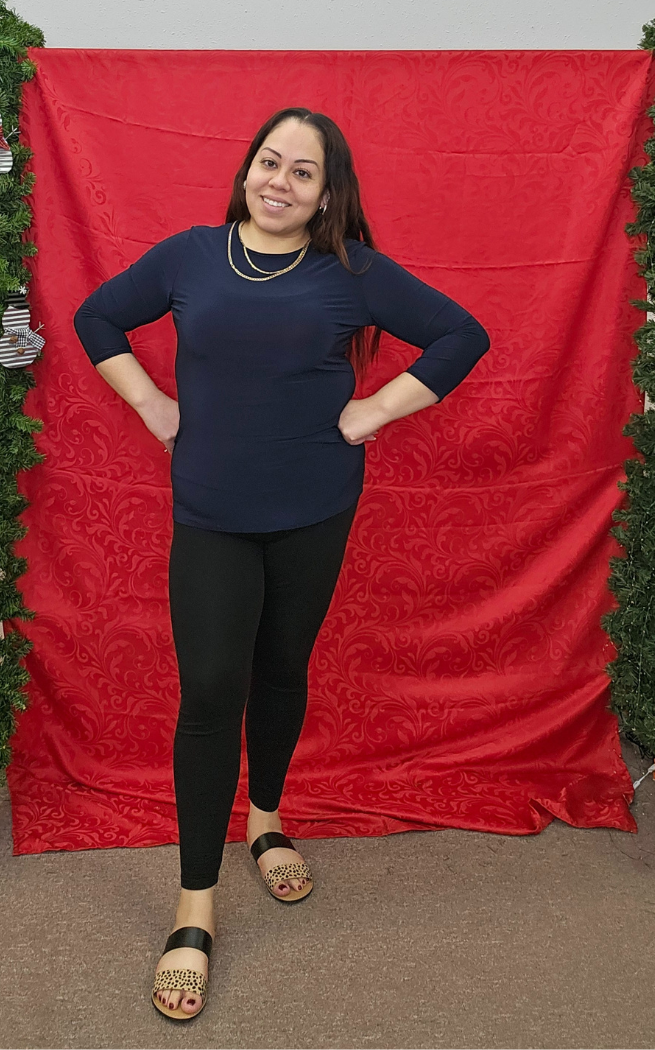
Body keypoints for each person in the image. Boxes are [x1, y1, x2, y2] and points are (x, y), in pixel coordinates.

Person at [73, 105, 491, 1022]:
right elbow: (95, 315)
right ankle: (194, 908)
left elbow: (463, 335)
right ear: (247, 170)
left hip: (315, 509)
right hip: (212, 516)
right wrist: (149, 403)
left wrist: (375, 410)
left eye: (305, 172)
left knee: (281, 668)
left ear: (327, 194)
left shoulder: (352, 271)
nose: (281, 181)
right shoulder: (191, 256)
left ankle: (265, 821)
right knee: (210, 692)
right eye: (271, 161)